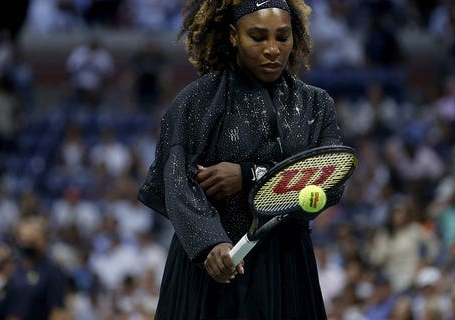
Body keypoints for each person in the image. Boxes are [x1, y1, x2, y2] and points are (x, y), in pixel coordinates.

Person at [137, 0, 344, 318]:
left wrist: (249, 175)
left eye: (283, 37)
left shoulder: (317, 104)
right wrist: (210, 244)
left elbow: (329, 181)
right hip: (209, 267)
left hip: (286, 264)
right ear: (233, 35)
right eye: (258, 37)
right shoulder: (195, 101)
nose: (273, 49)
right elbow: (176, 181)